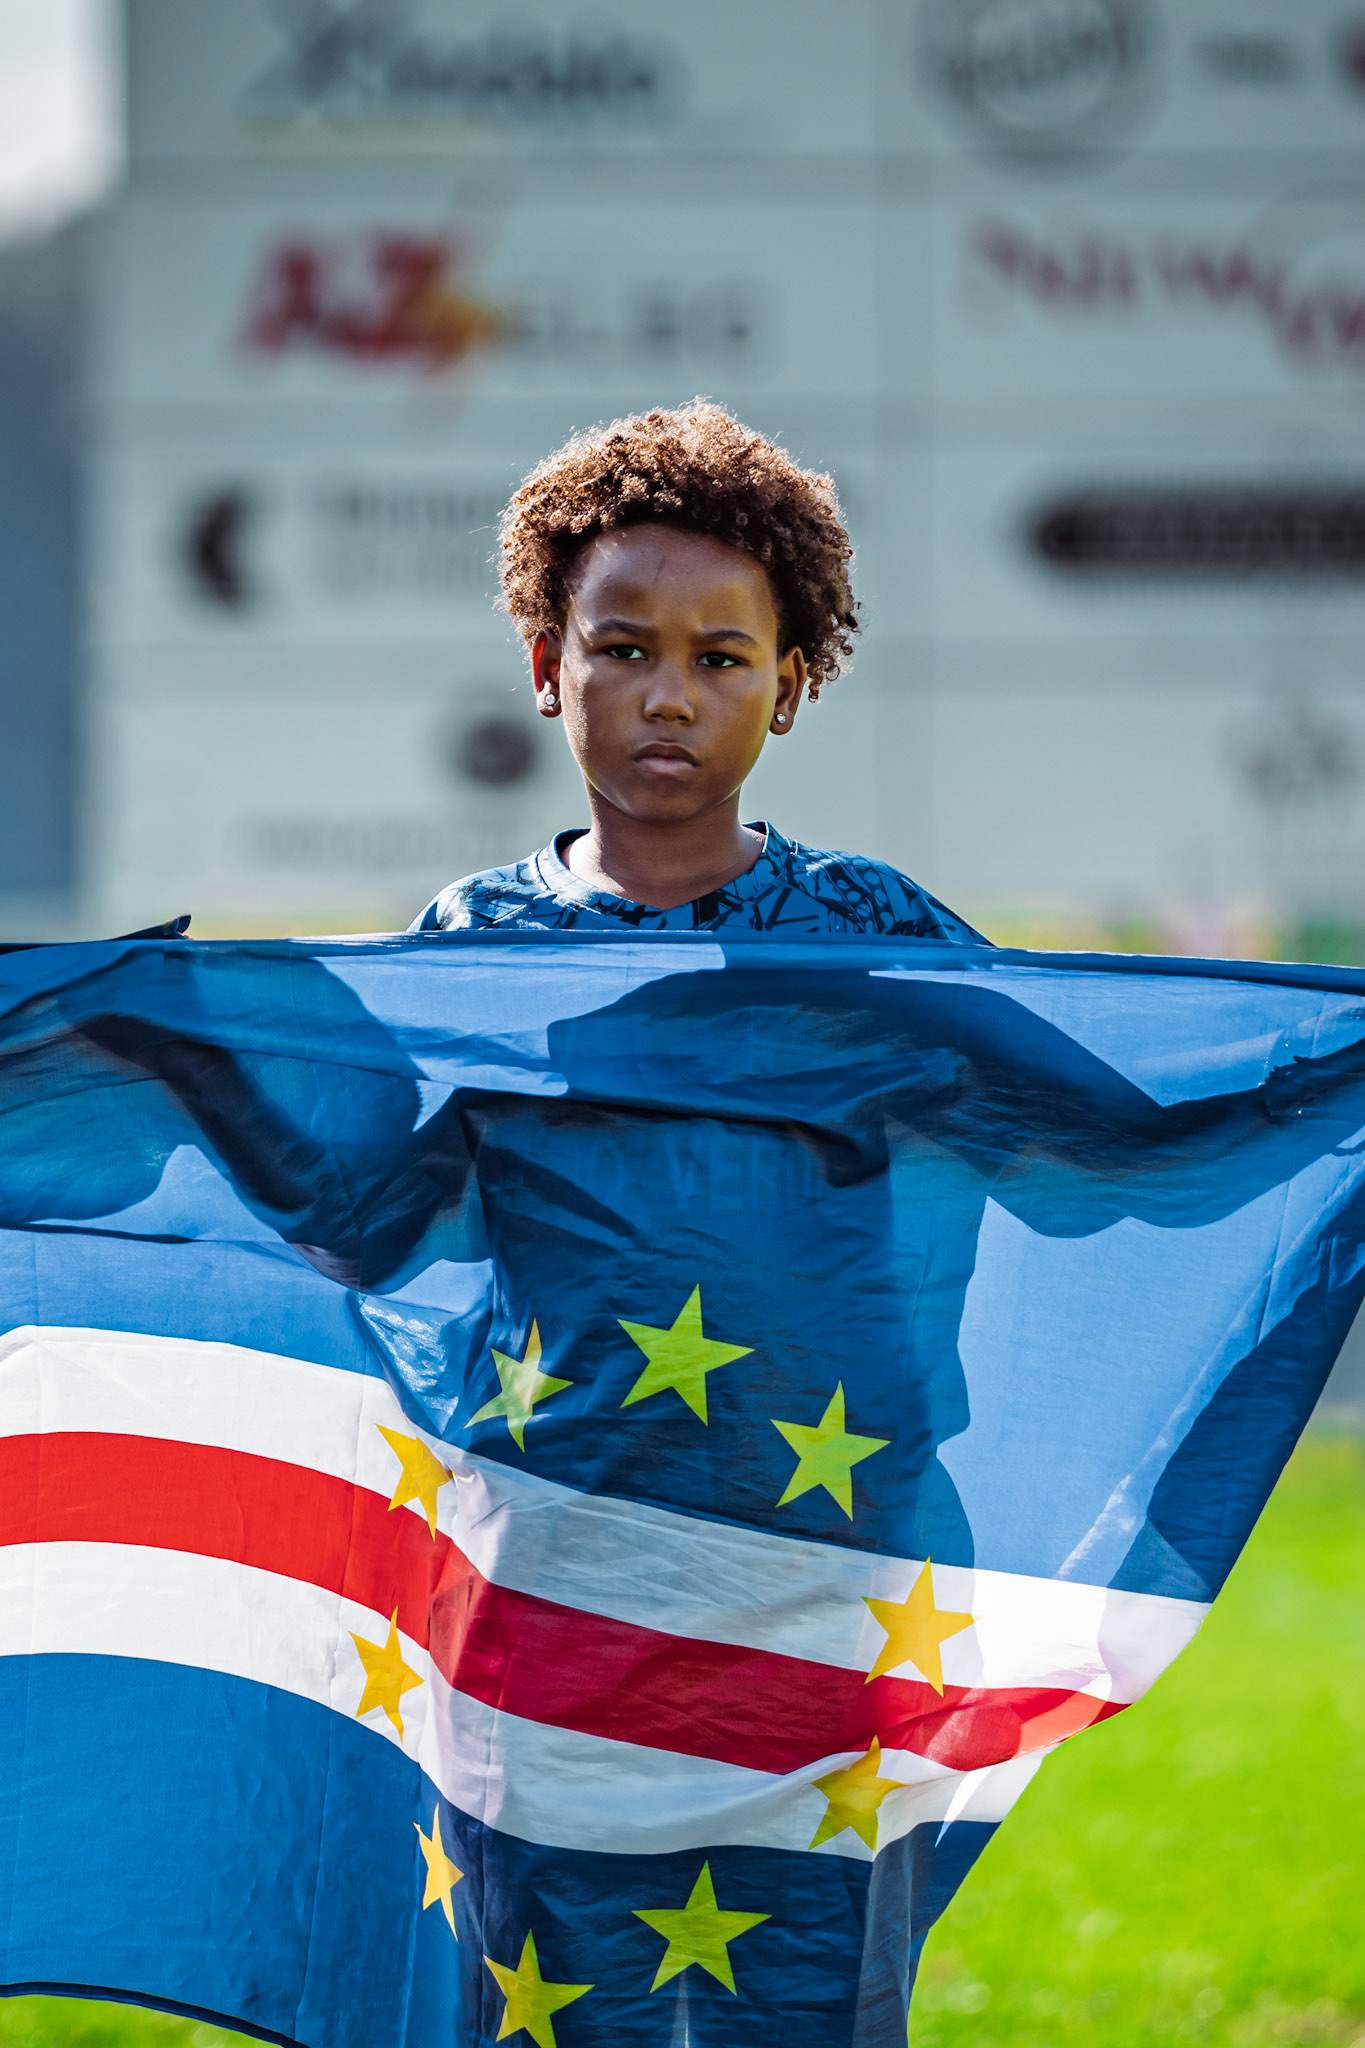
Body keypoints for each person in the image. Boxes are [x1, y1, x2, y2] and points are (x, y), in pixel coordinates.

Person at [411, 400, 985, 940]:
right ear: (551, 671)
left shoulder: (873, 918)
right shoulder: (475, 927)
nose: (669, 701)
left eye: (719, 660)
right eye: (625, 651)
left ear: (785, 690)